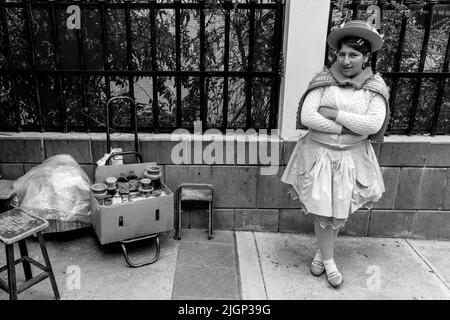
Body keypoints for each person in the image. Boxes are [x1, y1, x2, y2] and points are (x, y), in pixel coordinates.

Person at [281, 20, 390, 288]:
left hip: (351, 159)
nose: (345, 60)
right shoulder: (323, 81)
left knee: (337, 208)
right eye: (341, 54)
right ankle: (329, 262)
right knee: (323, 209)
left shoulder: (375, 87)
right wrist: (347, 127)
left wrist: (333, 114)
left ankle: (322, 254)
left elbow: (373, 125)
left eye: (353, 55)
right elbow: (308, 117)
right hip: (319, 155)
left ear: (365, 58)